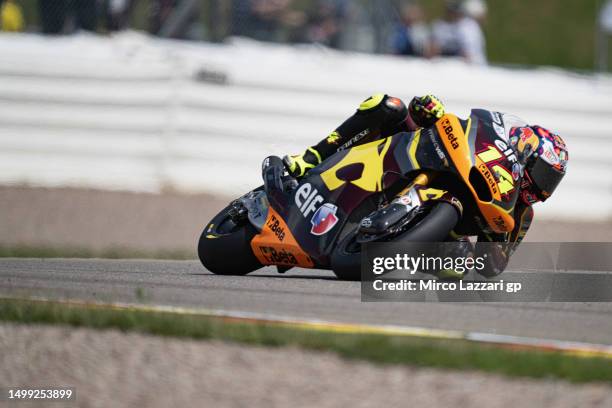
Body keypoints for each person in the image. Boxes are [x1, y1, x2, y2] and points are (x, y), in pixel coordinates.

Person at [283, 93, 568, 278]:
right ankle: (312, 158)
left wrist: (492, 243)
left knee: (457, 268)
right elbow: (463, 133)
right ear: (526, 152)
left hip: (438, 241)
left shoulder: (522, 214)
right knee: (388, 107)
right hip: (413, 158)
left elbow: (494, 266)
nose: (544, 187)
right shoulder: (496, 150)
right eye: (544, 174)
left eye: (552, 181)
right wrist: (432, 113)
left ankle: (395, 251)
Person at [430, 0, 487, 65]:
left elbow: (469, 54)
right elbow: (432, 51)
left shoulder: (469, 27)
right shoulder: (439, 26)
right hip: (443, 65)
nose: (453, 14)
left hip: (472, 67)